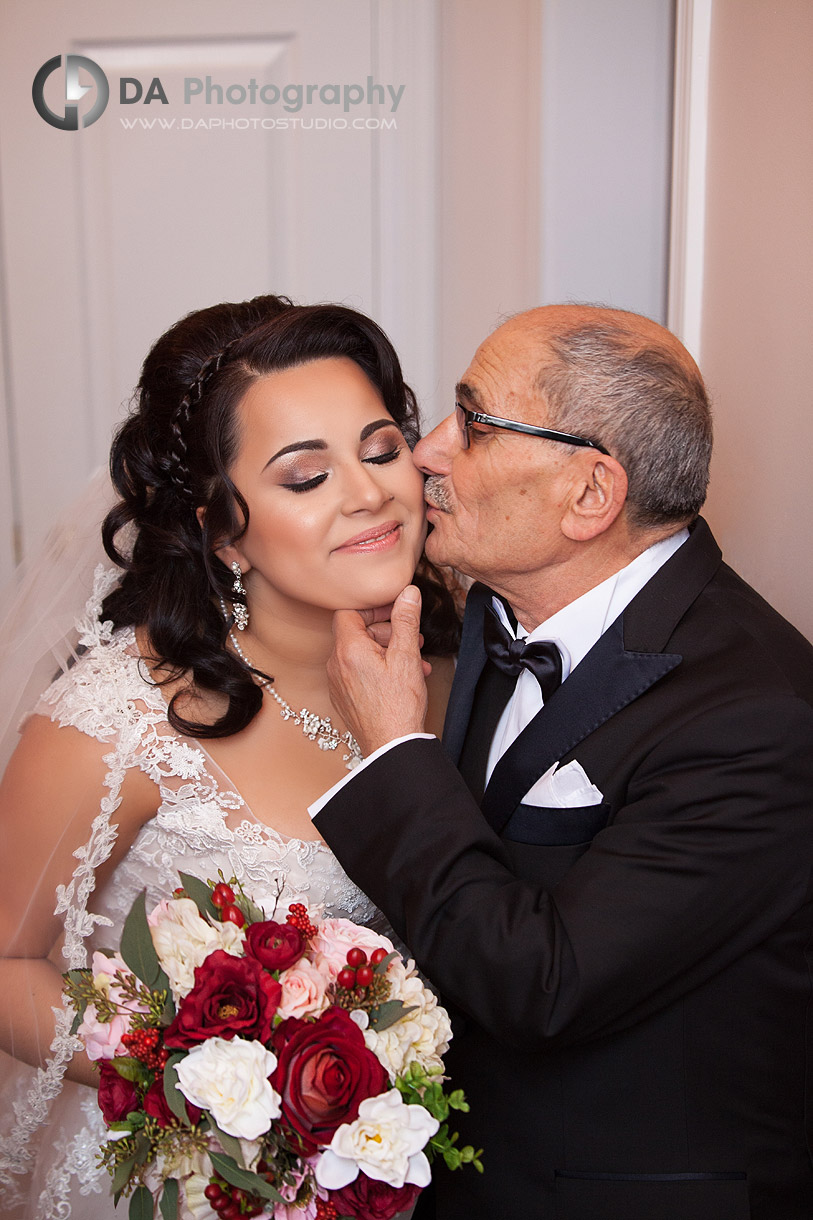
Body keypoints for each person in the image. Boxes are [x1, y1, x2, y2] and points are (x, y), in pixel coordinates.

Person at [313, 304, 813, 1220]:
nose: (425, 451)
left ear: (590, 494)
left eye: (472, 422)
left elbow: (538, 985)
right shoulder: (479, 615)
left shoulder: (759, 718)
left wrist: (393, 749)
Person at [0, 294, 459, 1218]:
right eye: (304, 478)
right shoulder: (116, 721)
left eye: (379, 451)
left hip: (404, 1171)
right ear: (219, 530)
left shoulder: (460, 672)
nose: (370, 494)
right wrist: (221, 1077)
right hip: (183, 1180)